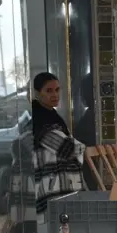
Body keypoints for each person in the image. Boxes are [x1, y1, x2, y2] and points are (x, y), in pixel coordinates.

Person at [29, 72, 86, 215]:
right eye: (48, 91)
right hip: (51, 187)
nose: (55, 94)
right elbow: (68, 148)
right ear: (37, 93)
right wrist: (83, 148)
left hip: (57, 186)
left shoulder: (51, 114)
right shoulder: (39, 119)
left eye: (57, 90)